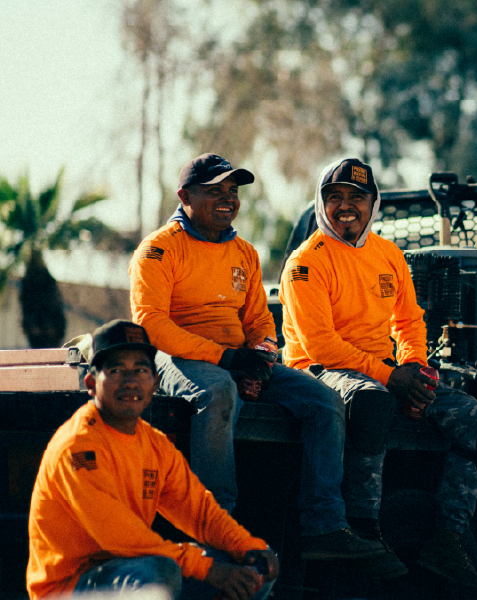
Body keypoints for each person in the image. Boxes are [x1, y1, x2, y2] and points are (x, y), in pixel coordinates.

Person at [130, 153, 386, 561]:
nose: (228, 199)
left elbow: (261, 322)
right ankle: (217, 528)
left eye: (232, 191)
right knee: (218, 393)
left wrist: (262, 359)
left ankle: (325, 526)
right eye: (214, 191)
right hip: (176, 358)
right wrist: (228, 361)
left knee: (325, 401)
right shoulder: (158, 250)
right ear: (185, 196)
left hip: (236, 358)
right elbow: (151, 326)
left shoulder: (245, 253)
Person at [279, 158, 477, 592]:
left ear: (373, 203)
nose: (346, 206)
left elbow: (409, 322)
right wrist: (390, 377)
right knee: (373, 402)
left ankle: (447, 539)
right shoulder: (306, 262)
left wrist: (415, 367)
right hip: (323, 372)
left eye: (357, 197)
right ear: (322, 204)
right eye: (334, 197)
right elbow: (321, 345)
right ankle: (363, 534)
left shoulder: (388, 254)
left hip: (383, 371)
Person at [27, 320, 280, 600]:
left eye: (141, 369)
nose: (130, 380)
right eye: (116, 370)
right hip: (68, 588)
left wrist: (247, 547)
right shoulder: (78, 446)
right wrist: (207, 569)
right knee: (161, 573)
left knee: (250, 574)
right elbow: (120, 536)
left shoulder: (154, 444)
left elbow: (200, 511)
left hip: (129, 573)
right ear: (90, 382)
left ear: (156, 382)